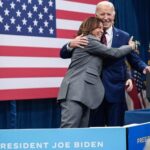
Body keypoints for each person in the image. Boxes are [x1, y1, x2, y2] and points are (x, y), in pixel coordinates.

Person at [59, 1, 150, 126]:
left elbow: (133, 59)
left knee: (116, 130)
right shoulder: (85, 36)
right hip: (90, 91)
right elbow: (64, 53)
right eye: (102, 14)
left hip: (115, 89)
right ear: (96, 15)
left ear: (114, 15)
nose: (106, 17)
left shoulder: (124, 36)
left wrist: (144, 68)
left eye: (109, 14)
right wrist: (70, 44)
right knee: (94, 132)